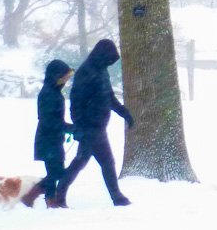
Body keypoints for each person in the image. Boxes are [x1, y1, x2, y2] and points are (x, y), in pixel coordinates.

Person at [54, 39, 134, 207]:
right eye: (109, 59)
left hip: (98, 126)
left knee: (81, 161)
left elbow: (109, 96)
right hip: (90, 127)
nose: (109, 63)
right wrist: (79, 125)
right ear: (102, 55)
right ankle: (117, 197)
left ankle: (59, 193)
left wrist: (124, 113)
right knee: (106, 162)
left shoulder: (102, 70)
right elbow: (75, 101)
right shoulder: (86, 71)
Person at [22, 59, 75, 208]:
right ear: (55, 76)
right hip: (47, 139)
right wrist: (69, 128)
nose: (66, 80)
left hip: (53, 139)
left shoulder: (54, 92)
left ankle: (49, 199)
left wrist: (67, 129)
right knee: (57, 172)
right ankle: (39, 197)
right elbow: (48, 121)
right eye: (64, 77)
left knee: (55, 171)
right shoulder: (48, 94)